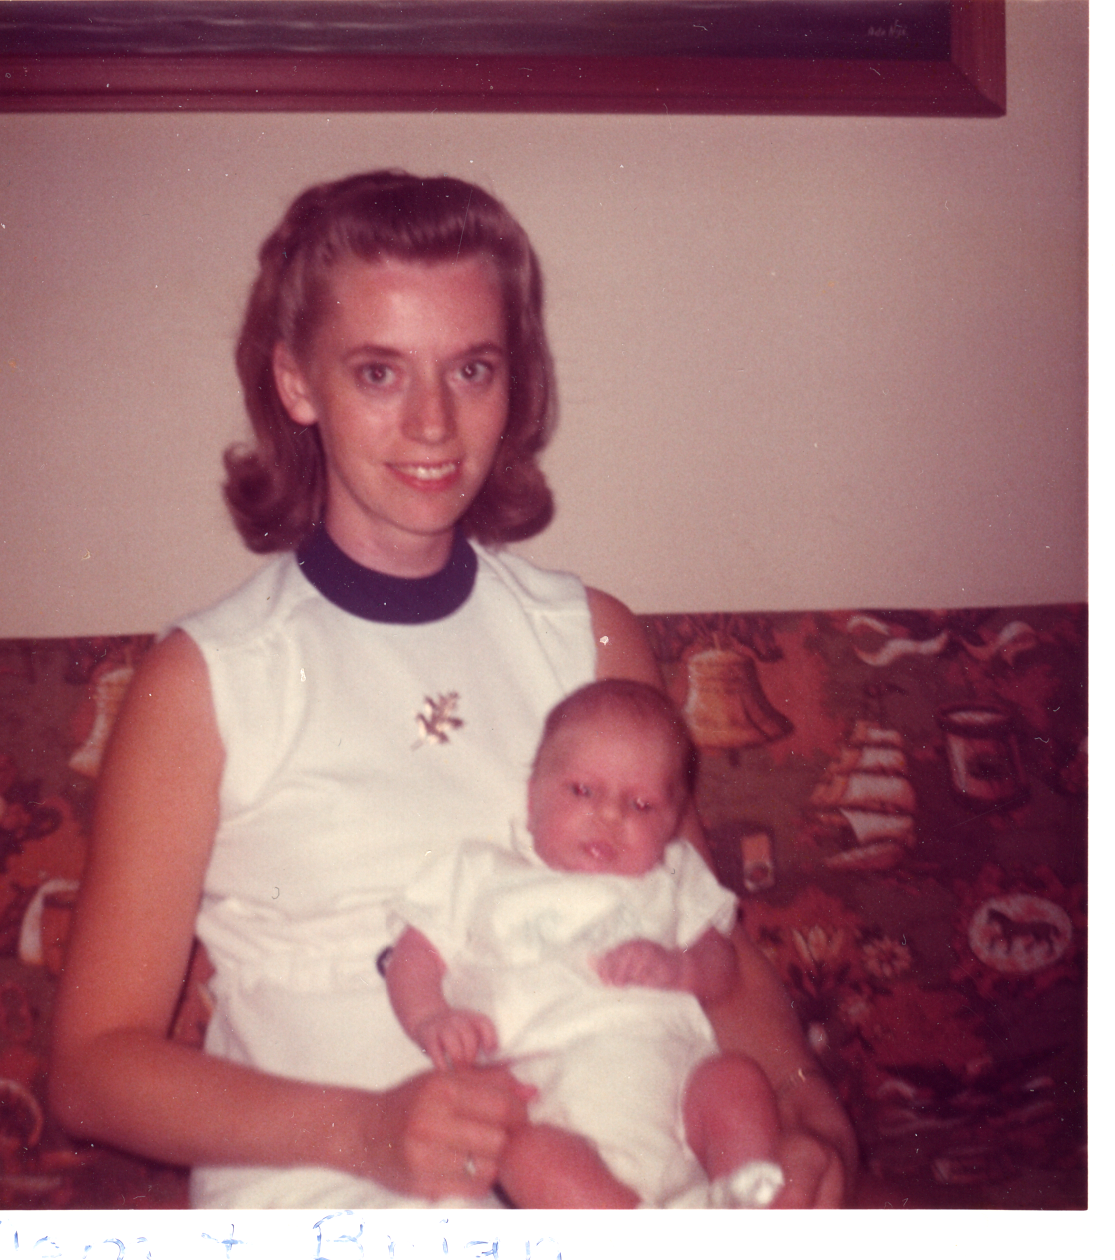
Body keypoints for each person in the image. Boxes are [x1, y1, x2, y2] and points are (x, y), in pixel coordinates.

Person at [50, 169, 857, 1209]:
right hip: (327, 1197)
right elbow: (92, 1069)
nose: (433, 423)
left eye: (472, 369)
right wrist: (367, 1132)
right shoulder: (207, 677)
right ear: (297, 383)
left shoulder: (586, 637)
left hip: (626, 1185)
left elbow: (704, 940)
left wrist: (810, 1117)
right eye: (379, 372)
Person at [386, 679, 785, 1209]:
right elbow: (413, 955)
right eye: (582, 791)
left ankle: (741, 1206)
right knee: (526, 1156)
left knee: (738, 1083)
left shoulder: (673, 875)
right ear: (533, 795)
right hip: (544, 1099)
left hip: (676, 1090)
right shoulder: (482, 873)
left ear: (671, 824)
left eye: (641, 804)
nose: (610, 816)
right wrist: (431, 1017)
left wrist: (680, 968)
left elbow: (722, 963)